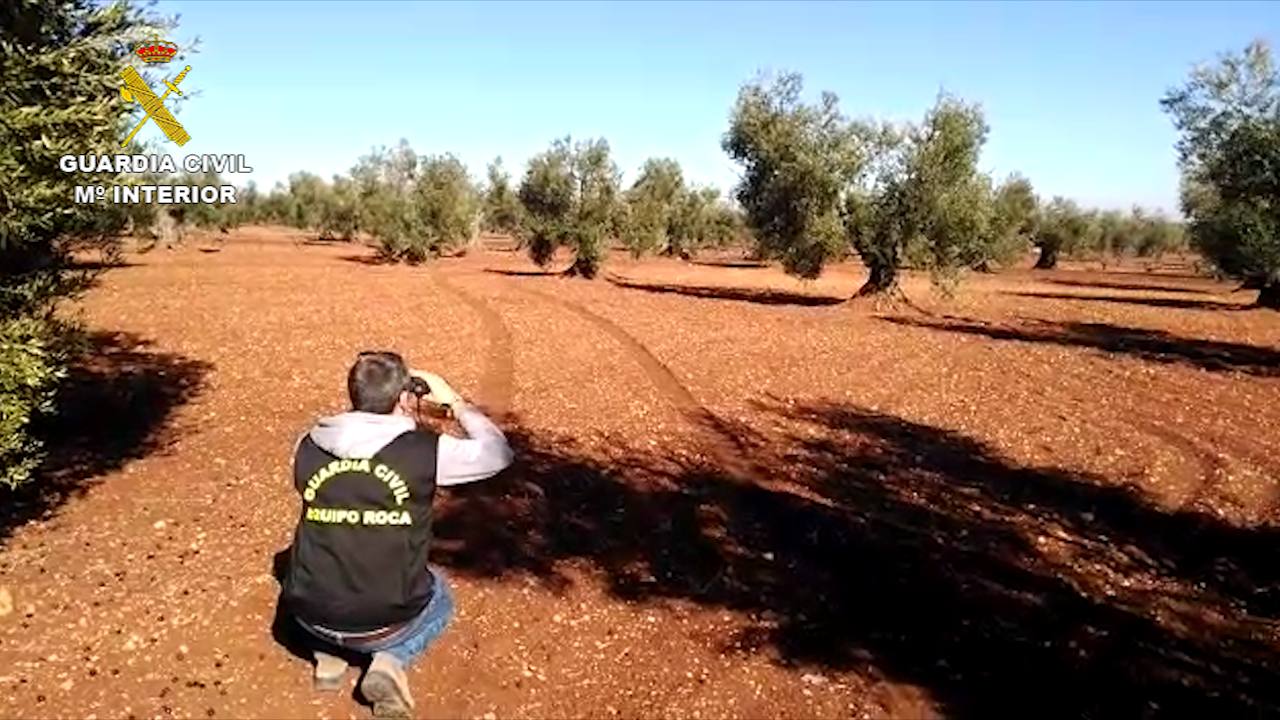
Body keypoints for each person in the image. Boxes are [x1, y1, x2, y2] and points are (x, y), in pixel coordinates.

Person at [280, 351, 513, 718]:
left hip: (308, 613)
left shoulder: (306, 444)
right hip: (384, 621)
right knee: (441, 596)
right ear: (405, 399)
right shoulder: (423, 451)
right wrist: (455, 402)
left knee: (317, 564)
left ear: (354, 392)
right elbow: (498, 453)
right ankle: (390, 661)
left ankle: (329, 656)